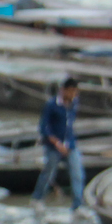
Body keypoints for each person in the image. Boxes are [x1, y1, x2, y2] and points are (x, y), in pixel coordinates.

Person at [31, 78, 87, 216]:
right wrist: (56, 143)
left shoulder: (74, 104)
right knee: (49, 173)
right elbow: (44, 128)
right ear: (64, 90)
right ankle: (37, 199)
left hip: (70, 145)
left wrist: (68, 143)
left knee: (77, 174)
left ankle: (77, 206)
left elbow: (69, 124)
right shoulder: (52, 105)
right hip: (54, 146)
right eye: (71, 91)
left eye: (75, 92)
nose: (73, 94)